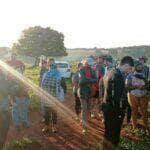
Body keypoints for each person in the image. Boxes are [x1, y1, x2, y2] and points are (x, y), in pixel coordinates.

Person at [100, 56, 134, 149]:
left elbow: (103, 89)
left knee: (108, 133)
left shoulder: (110, 72)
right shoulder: (118, 76)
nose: (129, 71)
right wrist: (120, 112)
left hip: (106, 107)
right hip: (113, 110)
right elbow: (116, 97)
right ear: (126, 65)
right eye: (130, 68)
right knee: (114, 135)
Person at [126, 63, 149, 131]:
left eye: (141, 67)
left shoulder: (144, 75)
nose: (140, 67)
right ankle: (134, 126)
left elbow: (147, 85)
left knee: (144, 111)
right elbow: (127, 86)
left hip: (143, 95)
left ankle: (146, 126)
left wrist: (144, 87)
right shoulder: (130, 76)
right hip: (133, 95)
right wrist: (136, 87)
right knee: (134, 110)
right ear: (135, 67)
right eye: (138, 66)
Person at [41, 63, 62, 133]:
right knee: (48, 113)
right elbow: (42, 85)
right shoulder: (46, 74)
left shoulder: (58, 75)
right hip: (48, 98)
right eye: (50, 67)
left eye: (51, 67)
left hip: (53, 98)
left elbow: (60, 86)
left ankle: (53, 127)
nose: (50, 69)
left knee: (52, 113)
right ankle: (48, 127)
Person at [78, 60, 97, 134]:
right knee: (84, 108)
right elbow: (82, 80)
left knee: (88, 109)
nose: (87, 64)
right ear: (84, 63)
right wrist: (91, 80)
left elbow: (96, 80)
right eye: (85, 63)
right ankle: (85, 127)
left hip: (90, 92)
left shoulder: (92, 71)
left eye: (88, 63)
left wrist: (88, 80)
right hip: (82, 92)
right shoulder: (81, 70)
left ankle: (85, 121)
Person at [0, 69, 11, 149]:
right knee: (4, 126)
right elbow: (9, 91)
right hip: (4, 105)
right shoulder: (5, 80)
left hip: (4, 103)